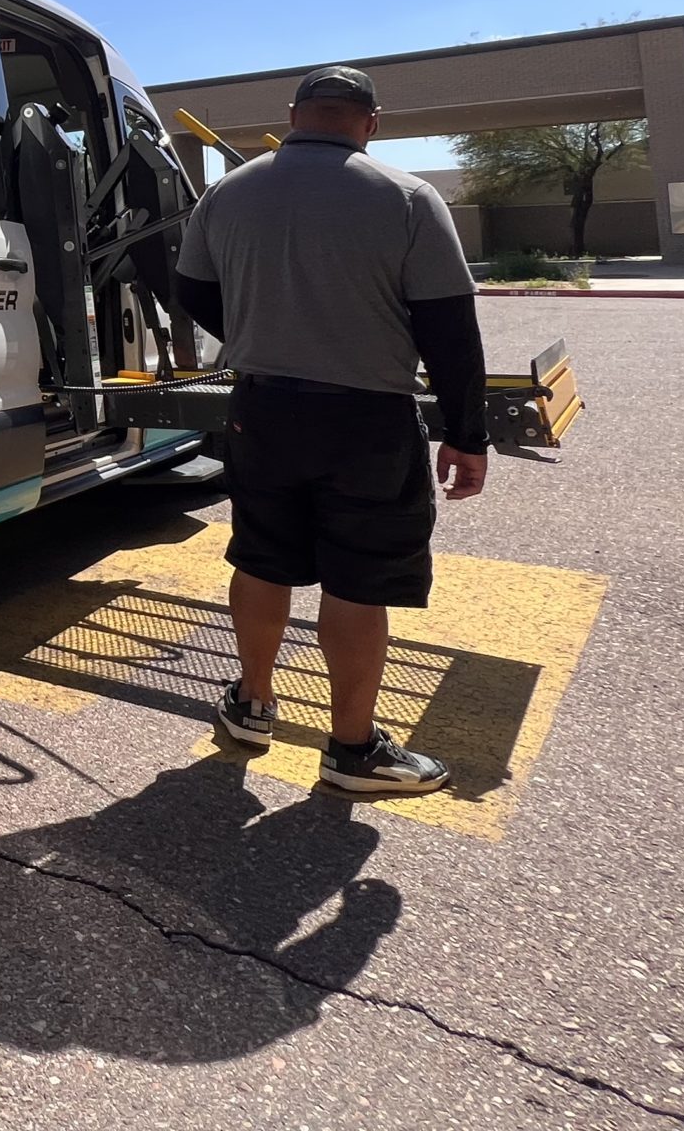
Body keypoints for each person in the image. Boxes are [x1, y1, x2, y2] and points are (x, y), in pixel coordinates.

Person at [172, 65, 489, 795]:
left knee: (261, 558)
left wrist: (252, 329)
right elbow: (449, 328)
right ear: (370, 122)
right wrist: (467, 435)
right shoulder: (408, 197)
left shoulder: (228, 192)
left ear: (294, 115)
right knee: (358, 575)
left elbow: (188, 286)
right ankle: (352, 750)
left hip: (262, 409)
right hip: (366, 417)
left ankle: (251, 705)